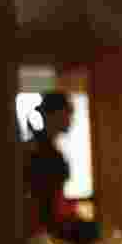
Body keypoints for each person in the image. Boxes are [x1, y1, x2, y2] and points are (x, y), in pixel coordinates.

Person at [24, 92, 73, 235]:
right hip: (43, 226)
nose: (70, 118)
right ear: (55, 114)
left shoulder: (49, 147)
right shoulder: (37, 148)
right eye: (68, 112)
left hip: (52, 223)